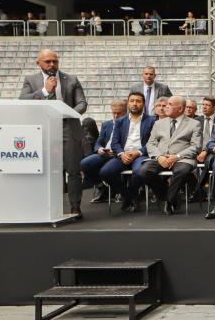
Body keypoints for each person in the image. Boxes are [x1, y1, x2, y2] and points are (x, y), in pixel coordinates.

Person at [19, 48, 87, 219]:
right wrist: (44, 90)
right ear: (38, 63)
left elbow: (82, 103)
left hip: (67, 127)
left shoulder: (71, 79)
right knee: (44, 169)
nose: (52, 64)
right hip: (41, 129)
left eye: (54, 61)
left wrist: (66, 113)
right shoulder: (31, 80)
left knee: (73, 170)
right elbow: (23, 100)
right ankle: (44, 205)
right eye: (48, 61)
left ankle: (75, 206)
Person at [138, 96, 200, 215]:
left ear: (180, 108)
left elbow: (196, 146)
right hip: (160, 157)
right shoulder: (158, 123)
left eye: (170, 104)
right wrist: (159, 157)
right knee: (144, 171)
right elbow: (150, 144)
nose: (166, 107)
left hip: (182, 159)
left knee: (183, 171)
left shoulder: (194, 124)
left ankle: (168, 200)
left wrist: (177, 156)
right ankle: (166, 196)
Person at [102, 92, 156, 213]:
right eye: (132, 101)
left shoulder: (152, 121)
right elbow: (114, 143)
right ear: (128, 104)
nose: (134, 104)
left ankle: (130, 196)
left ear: (143, 104)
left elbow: (153, 143)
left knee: (139, 172)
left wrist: (138, 152)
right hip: (123, 155)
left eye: (138, 101)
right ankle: (129, 196)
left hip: (141, 155)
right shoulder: (120, 121)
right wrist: (121, 154)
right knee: (105, 172)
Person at [80, 98, 127, 204]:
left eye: (119, 113)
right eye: (114, 113)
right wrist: (99, 149)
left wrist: (118, 151)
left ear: (125, 112)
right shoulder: (107, 124)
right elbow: (98, 142)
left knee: (108, 169)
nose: (116, 116)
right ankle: (102, 188)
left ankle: (120, 190)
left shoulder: (129, 125)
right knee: (85, 163)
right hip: (105, 154)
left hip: (119, 155)